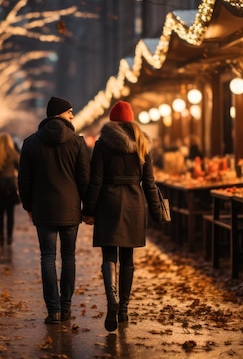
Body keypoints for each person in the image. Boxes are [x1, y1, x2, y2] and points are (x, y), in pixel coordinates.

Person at [82, 100, 164, 332]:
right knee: (128, 258)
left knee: (109, 253)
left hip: (108, 201)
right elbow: (149, 182)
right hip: (134, 203)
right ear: (131, 119)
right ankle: (125, 309)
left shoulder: (102, 144)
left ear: (112, 121)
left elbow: (96, 180)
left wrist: (88, 209)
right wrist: (156, 211)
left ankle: (112, 301)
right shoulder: (142, 143)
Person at [18, 96, 91, 324]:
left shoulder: (30, 143)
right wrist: (87, 208)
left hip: (43, 210)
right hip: (70, 210)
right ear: (60, 114)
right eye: (70, 112)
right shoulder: (78, 144)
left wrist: (29, 206)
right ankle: (66, 307)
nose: (73, 116)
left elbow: (24, 181)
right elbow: (85, 180)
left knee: (47, 257)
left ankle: (53, 310)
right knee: (68, 257)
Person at [0, 133, 21, 246]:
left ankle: (1, 238)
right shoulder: (14, 154)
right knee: (10, 214)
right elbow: (20, 169)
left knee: (0, 214)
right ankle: (9, 238)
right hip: (10, 186)